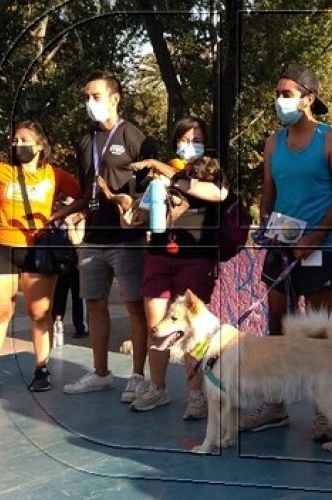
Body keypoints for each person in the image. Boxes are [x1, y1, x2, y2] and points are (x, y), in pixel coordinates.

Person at [242, 63, 332, 439]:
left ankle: (325, 411)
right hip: (281, 247)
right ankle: (276, 404)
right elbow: (268, 191)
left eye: (287, 94)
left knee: (316, 331)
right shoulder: (273, 142)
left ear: (308, 99)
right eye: (278, 93)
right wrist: (264, 224)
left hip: (321, 247)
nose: (280, 100)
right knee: (277, 324)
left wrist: (315, 238)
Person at [0, 120, 81, 393]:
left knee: (39, 313)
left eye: (24, 140)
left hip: (38, 250)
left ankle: (41, 369)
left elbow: (84, 196)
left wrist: (62, 216)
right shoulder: (0, 171)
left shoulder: (55, 174)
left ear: (40, 145)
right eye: (15, 140)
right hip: (1, 247)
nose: (18, 144)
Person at [62, 71, 156, 403]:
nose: (90, 103)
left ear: (115, 99)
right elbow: (86, 189)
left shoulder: (135, 137)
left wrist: (132, 207)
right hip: (92, 238)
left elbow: (151, 190)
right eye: (87, 97)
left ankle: (137, 377)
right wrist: (72, 214)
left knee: (134, 307)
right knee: (94, 304)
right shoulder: (85, 140)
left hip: (127, 238)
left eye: (96, 96)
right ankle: (101, 373)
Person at [128, 117, 227, 418]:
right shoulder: (157, 175)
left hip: (196, 258)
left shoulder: (212, 172)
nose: (189, 144)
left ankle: (196, 395)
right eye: (183, 139)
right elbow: (140, 210)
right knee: (156, 325)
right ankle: (156, 388)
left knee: (192, 330)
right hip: (159, 255)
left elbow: (217, 195)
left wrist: (166, 172)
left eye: (195, 138)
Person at [51, 197, 87, 340]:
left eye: (68, 207)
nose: (65, 210)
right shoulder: (58, 223)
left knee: (78, 297)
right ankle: (55, 323)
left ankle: (81, 327)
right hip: (60, 264)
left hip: (76, 264)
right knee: (59, 295)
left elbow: (76, 240)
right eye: (63, 206)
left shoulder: (80, 222)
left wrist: (71, 225)